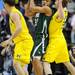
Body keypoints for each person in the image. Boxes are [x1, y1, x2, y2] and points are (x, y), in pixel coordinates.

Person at [42, 0, 75, 75]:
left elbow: (62, 16)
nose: (55, 2)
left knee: (45, 62)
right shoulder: (62, 10)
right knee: (67, 63)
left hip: (55, 40)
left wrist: (60, 2)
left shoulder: (61, 12)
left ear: (60, 2)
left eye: (56, 1)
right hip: (60, 39)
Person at [1, 0, 34, 75]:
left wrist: (9, 40)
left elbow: (19, 28)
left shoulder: (14, 13)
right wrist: (9, 45)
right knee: (23, 68)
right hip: (22, 42)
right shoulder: (14, 12)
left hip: (24, 42)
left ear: (5, 4)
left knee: (16, 64)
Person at [25, 0, 52, 75]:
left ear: (49, 2)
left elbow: (32, 8)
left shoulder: (47, 9)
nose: (44, 1)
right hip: (36, 38)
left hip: (42, 37)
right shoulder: (38, 10)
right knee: (34, 61)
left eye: (47, 0)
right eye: (43, 0)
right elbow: (27, 13)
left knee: (36, 59)